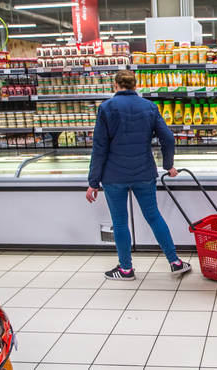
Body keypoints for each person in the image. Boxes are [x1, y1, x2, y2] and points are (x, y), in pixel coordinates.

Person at [86, 69, 191, 280]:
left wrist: (93, 181)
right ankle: (175, 262)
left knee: (120, 221)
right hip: (144, 172)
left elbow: (99, 147)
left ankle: (126, 269)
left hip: (113, 176)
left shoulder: (106, 108)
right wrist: (168, 165)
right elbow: (168, 138)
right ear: (136, 87)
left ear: (115, 86)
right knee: (153, 216)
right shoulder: (149, 107)